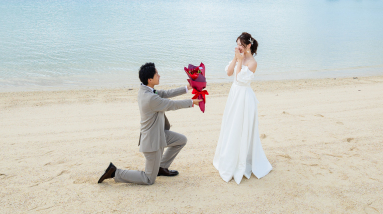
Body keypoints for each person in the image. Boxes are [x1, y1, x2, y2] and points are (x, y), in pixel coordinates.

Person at [98, 62, 201, 185]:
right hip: (152, 141)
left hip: (159, 134)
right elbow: (170, 105)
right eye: (157, 74)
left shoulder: (146, 90)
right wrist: (192, 102)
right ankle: (115, 172)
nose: (159, 76)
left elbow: (165, 94)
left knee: (181, 140)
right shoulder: (150, 98)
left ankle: (161, 167)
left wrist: (187, 88)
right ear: (150, 79)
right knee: (149, 179)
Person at [213, 32, 272, 183]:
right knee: (230, 124)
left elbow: (239, 78)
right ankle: (228, 157)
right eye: (237, 44)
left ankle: (242, 160)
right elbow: (229, 73)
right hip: (234, 95)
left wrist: (240, 61)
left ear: (248, 45)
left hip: (244, 98)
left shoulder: (252, 62)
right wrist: (235, 58)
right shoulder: (239, 57)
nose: (238, 47)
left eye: (241, 44)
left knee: (241, 127)